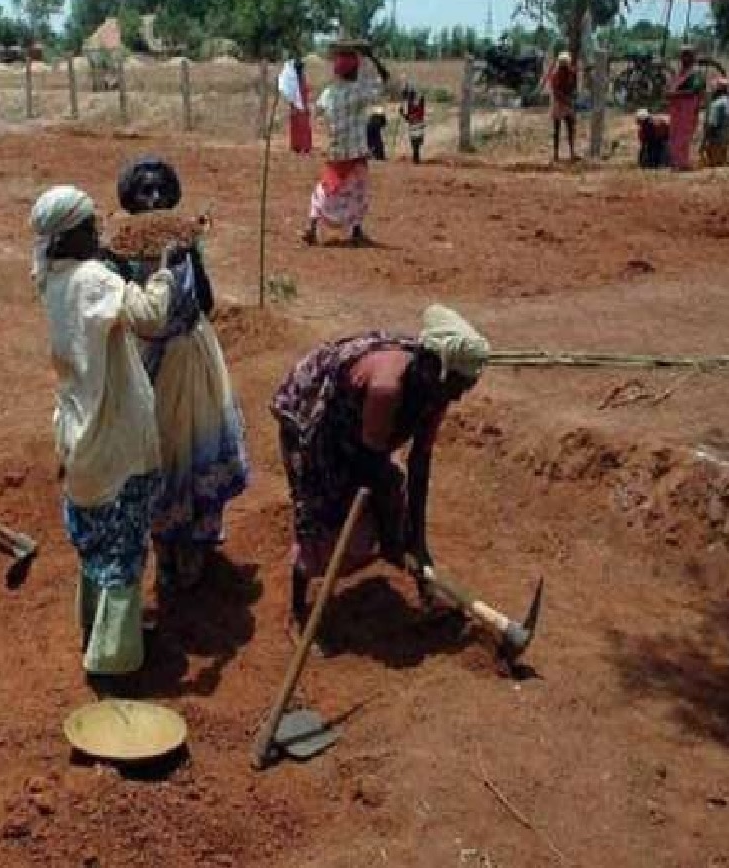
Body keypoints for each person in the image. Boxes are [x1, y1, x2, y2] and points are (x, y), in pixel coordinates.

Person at [30, 185, 180, 679]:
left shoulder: (52, 279)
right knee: (125, 550)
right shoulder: (93, 280)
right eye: (91, 227)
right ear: (70, 234)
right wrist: (163, 269)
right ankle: (114, 661)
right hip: (115, 439)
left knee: (94, 542)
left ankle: (96, 626)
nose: (99, 233)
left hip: (78, 434)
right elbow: (152, 319)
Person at [271, 305, 490, 637]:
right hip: (315, 424)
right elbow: (370, 465)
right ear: (438, 371)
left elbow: (419, 465)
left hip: (360, 432)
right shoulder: (387, 388)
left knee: (395, 494)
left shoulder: (436, 389)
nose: (459, 397)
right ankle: (299, 613)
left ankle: (427, 594)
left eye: (466, 388)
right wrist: (391, 534)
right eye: (459, 386)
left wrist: (417, 541)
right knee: (319, 511)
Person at [108, 158, 249, 595]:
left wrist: (189, 254)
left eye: (161, 193)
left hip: (190, 354)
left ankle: (195, 543)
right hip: (146, 362)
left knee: (197, 449)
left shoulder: (184, 244)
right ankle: (166, 549)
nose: (153, 200)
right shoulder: (118, 252)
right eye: (144, 192)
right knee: (159, 456)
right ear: (129, 201)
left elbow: (204, 303)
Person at [303, 48, 390, 247]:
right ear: (355, 71)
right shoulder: (359, 92)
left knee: (326, 189)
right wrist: (372, 57)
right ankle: (356, 230)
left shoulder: (328, 93)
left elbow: (316, 112)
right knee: (359, 192)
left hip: (336, 151)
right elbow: (383, 83)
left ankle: (312, 226)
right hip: (356, 152)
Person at [667, 45, 706, 170]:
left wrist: (674, 94)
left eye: (686, 55)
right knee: (674, 135)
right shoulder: (682, 72)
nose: (683, 58)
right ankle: (677, 162)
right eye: (682, 55)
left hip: (687, 109)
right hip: (677, 109)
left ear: (692, 57)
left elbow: (694, 91)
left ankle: (683, 163)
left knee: (683, 136)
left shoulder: (695, 73)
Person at [545, 51, 577, 161]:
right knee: (558, 129)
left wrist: (570, 98)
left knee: (570, 128)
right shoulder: (556, 75)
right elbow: (556, 91)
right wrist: (567, 100)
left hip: (566, 101)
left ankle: (571, 152)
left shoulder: (571, 73)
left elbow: (573, 87)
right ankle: (557, 154)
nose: (564, 66)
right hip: (559, 102)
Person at [700, 76, 729, 168]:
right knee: (721, 162)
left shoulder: (716, 104)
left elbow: (711, 124)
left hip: (716, 139)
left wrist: (704, 142)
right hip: (727, 137)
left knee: (713, 164)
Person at [288, 59, 312, 155]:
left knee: (298, 127)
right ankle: (303, 147)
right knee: (303, 127)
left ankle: (299, 146)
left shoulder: (295, 80)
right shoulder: (302, 80)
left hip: (298, 107)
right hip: (302, 107)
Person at [401, 84, 427, 164]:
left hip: (415, 128)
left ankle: (416, 159)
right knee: (416, 145)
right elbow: (407, 118)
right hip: (416, 128)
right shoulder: (414, 107)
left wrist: (402, 113)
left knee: (416, 144)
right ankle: (416, 159)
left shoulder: (414, 108)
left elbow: (407, 118)